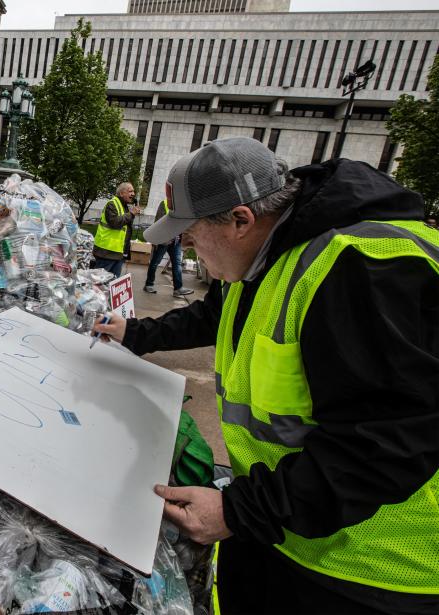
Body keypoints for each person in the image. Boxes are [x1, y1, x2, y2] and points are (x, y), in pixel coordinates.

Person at [93, 138, 439, 614]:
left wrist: (239, 510)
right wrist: (134, 332)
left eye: (190, 234)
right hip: (282, 528)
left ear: (241, 220)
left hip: (366, 568)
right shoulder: (268, 254)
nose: (184, 245)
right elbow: (218, 314)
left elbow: (386, 442)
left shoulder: (360, 270)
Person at [142, 199, 194, 297]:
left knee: (177, 264)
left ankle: (178, 288)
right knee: (155, 263)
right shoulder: (165, 203)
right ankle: (149, 284)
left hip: (176, 240)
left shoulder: (183, 205)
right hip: (164, 240)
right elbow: (158, 221)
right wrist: (156, 239)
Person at [92, 182, 141, 278]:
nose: (133, 194)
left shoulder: (124, 206)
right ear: (122, 193)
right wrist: (131, 214)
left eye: (133, 191)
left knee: (113, 284)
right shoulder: (112, 204)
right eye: (130, 191)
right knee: (98, 282)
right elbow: (115, 223)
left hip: (118, 253)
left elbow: (125, 228)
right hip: (106, 252)